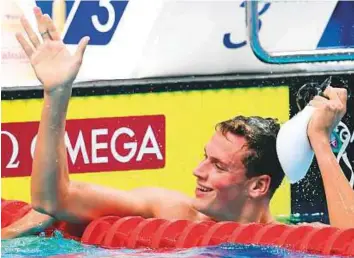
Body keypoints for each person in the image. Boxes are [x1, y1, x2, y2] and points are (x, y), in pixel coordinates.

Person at [5, 6, 354, 239]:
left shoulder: (292, 236)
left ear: (259, 186)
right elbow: (54, 199)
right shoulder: (169, 210)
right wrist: (57, 93)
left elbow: (348, 244)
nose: (197, 171)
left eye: (217, 165)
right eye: (206, 156)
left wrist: (320, 141)